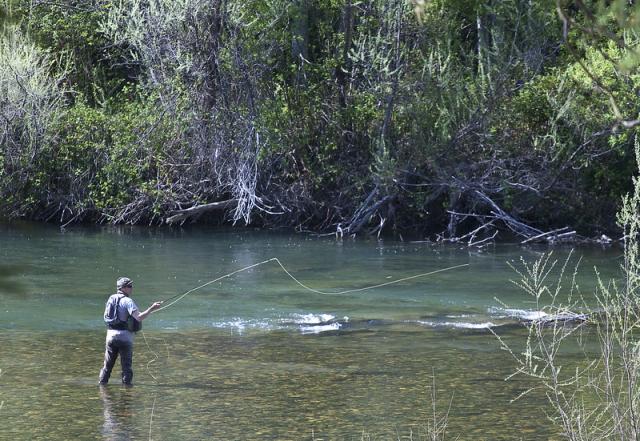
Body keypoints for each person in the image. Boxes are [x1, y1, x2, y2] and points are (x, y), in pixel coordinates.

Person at [98, 277, 163, 385]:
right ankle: (127, 392)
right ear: (123, 288)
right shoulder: (128, 301)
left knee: (107, 365)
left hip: (110, 335)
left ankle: (102, 387)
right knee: (126, 367)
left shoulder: (111, 298)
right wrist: (151, 308)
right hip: (124, 337)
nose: (132, 288)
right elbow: (139, 317)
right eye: (129, 286)